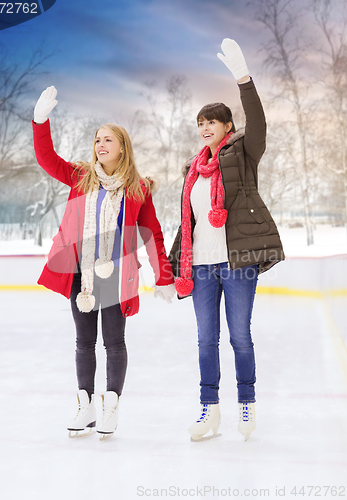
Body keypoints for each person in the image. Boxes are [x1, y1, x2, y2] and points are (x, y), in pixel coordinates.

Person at [32, 86, 175, 439]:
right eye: (97, 140)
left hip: (116, 275)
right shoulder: (81, 177)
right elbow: (47, 159)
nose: (100, 145)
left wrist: (164, 277)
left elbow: (152, 234)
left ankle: (111, 407)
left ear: (122, 147)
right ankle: (86, 407)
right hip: (81, 274)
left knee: (114, 342)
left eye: (107, 139)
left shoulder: (138, 188)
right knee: (83, 342)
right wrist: (40, 121)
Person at [168, 39, 284, 441]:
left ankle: (247, 404)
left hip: (236, 264)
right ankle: (209, 410)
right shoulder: (192, 169)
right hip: (200, 265)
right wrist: (172, 268)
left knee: (239, 337)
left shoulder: (244, 154)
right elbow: (190, 223)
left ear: (227, 127)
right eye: (200, 123)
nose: (204, 128)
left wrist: (243, 78)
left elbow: (260, 123)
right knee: (205, 340)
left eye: (211, 122)